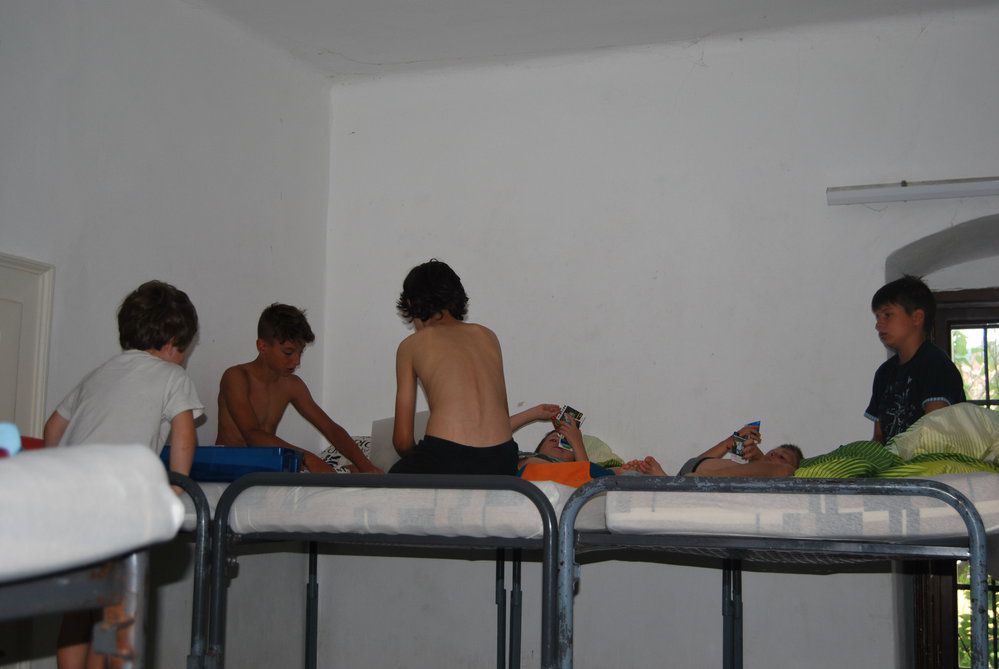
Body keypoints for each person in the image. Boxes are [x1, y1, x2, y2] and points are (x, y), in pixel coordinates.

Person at [42, 279, 203, 669]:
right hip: (115, 507)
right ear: (173, 343)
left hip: (69, 505)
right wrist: (176, 489)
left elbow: (53, 427)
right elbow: (185, 434)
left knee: (78, 610)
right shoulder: (172, 376)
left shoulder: (99, 374)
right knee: (119, 609)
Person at [216, 303, 381, 473]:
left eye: (300, 352)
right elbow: (252, 434)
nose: (296, 361)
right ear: (262, 346)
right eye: (288, 352)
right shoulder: (236, 377)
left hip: (266, 467)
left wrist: (367, 467)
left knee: (355, 470)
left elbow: (330, 428)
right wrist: (305, 457)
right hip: (230, 467)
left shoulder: (292, 384)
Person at [390, 259, 518, 475]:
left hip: (447, 456)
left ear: (410, 304)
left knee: (390, 481)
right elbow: (503, 416)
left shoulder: (411, 346)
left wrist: (418, 456)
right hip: (503, 459)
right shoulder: (487, 336)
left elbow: (402, 441)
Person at [865, 275, 965, 443]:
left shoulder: (935, 364)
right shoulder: (884, 373)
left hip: (928, 458)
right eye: (877, 317)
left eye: (887, 315)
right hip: (892, 459)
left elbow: (934, 434)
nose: (878, 324)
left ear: (917, 317)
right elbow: (879, 436)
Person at [631, 423, 803, 477]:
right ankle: (670, 482)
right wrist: (733, 441)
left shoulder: (786, 471)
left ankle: (670, 484)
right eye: (774, 451)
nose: (775, 454)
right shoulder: (744, 466)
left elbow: (781, 470)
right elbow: (696, 463)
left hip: (700, 480)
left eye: (783, 456)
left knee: (782, 470)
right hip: (689, 474)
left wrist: (706, 477)